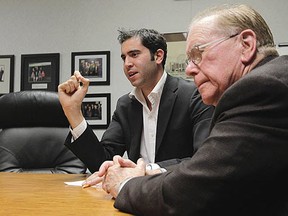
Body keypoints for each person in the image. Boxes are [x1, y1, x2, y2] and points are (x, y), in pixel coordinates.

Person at [100, 4, 288, 216]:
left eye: (198, 53)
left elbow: (195, 190)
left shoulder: (260, 89)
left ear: (246, 45)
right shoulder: (270, 81)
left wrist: (126, 184)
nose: (189, 68)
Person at [58, 29, 214, 178]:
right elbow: (101, 162)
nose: (127, 64)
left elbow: (204, 160)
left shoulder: (194, 95)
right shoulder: (125, 105)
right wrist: (73, 112)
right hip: (135, 195)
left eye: (134, 55)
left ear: (158, 56)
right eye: (124, 58)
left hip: (178, 195)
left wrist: (146, 170)